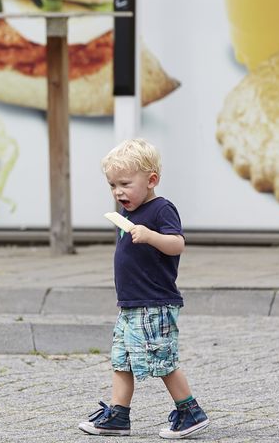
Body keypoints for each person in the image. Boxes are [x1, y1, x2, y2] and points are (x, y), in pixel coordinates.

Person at [78, 138, 209, 439]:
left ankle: (190, 412)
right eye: (112, 185)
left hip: (154, 303)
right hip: (131, 304)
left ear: (152, 180)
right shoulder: (128, 214)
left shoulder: (161, 209)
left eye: (124, 183)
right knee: (121, 360)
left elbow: (177, 244)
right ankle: (118, 415)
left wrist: (150, 236)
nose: (117, 192)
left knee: (161, 359)